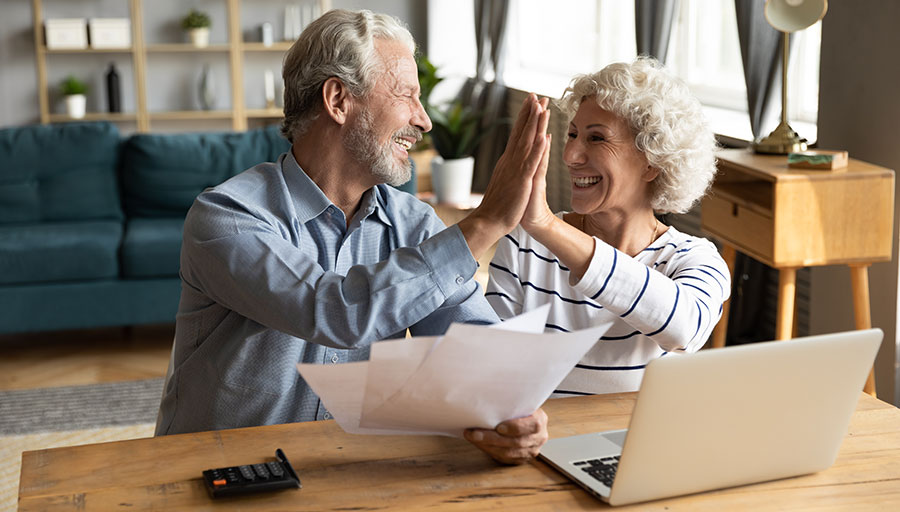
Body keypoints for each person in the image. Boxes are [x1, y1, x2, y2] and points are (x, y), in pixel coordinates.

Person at [155, 9, 552, 465]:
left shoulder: (413, 224)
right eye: (407, 95)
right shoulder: (227, 217)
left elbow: (472, 344)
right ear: (338, 100)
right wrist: (484, 224)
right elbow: (333, 311)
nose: (423, 121)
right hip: (215, 474)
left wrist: (510, 408)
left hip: (341, 469)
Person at [486, 57, 730, 396]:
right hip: (540, 441)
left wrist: (546, 226)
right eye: (572, 134)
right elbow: (490, 367)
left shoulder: (693, 259)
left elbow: (684, 328)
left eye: (596, 138)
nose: (571, 154)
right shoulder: (526, 243)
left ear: (652, 162)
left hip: (640, 445)